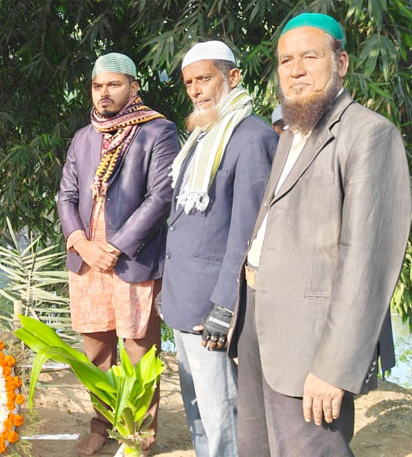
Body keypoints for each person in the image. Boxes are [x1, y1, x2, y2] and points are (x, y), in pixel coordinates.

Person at [234, 13, 411, 456]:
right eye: (285, 60)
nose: (295, 70)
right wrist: (242, 321)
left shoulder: (368, 134)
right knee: (256, 447)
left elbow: (366, 261)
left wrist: (335, 367)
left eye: (309, 57)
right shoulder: (293, 132)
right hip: (259, 320)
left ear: (342, 62)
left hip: (310, 340)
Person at [57, 53, 179, 456]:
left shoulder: (158, 131)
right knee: (96, 348)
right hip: (87, 258)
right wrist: (81, 243)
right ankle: (102, 425)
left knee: (139, 349)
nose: (104, 93)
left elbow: (161, 196)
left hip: (132, 257)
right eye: (97, 85)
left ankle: (138, 434)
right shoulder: (84, 136)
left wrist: (115, 245)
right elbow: (67, 195)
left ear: (133, 87)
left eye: (113, 84)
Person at [161, 41, 277, 457]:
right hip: (183, 296)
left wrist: (225, 306)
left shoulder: (252, 137)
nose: (195, 89)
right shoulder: (202, 137)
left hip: (213, 304)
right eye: (189, 82)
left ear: (233, 77)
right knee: (197, 409)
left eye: (204, 78)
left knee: (221, 410)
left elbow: (248, 232)